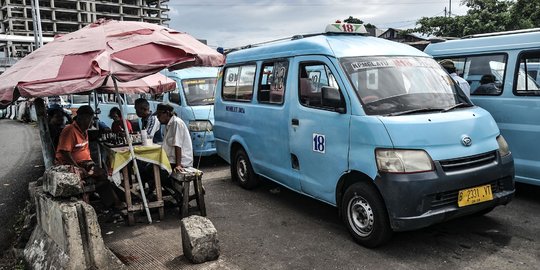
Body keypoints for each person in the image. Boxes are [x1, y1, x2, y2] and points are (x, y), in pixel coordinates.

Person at [55, 105, 123, 212]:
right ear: (82, 118)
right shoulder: (70, 130)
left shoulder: (84, 130)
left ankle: (112, 201)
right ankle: (114, 203)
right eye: (91, 120)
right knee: (101, 174)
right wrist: (77, 167)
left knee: (104, 174)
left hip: (85, 163)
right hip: (70, 165)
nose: (92, 123)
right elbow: (64, 152)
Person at [155, 103, 193, 172]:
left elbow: (177, 145)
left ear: (167, 113)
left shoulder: (176, 123)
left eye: (159, 115)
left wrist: (178, 165)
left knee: (154, 172)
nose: (157, 117)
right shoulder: (168, 125)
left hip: (180, 161)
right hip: (170, 160)